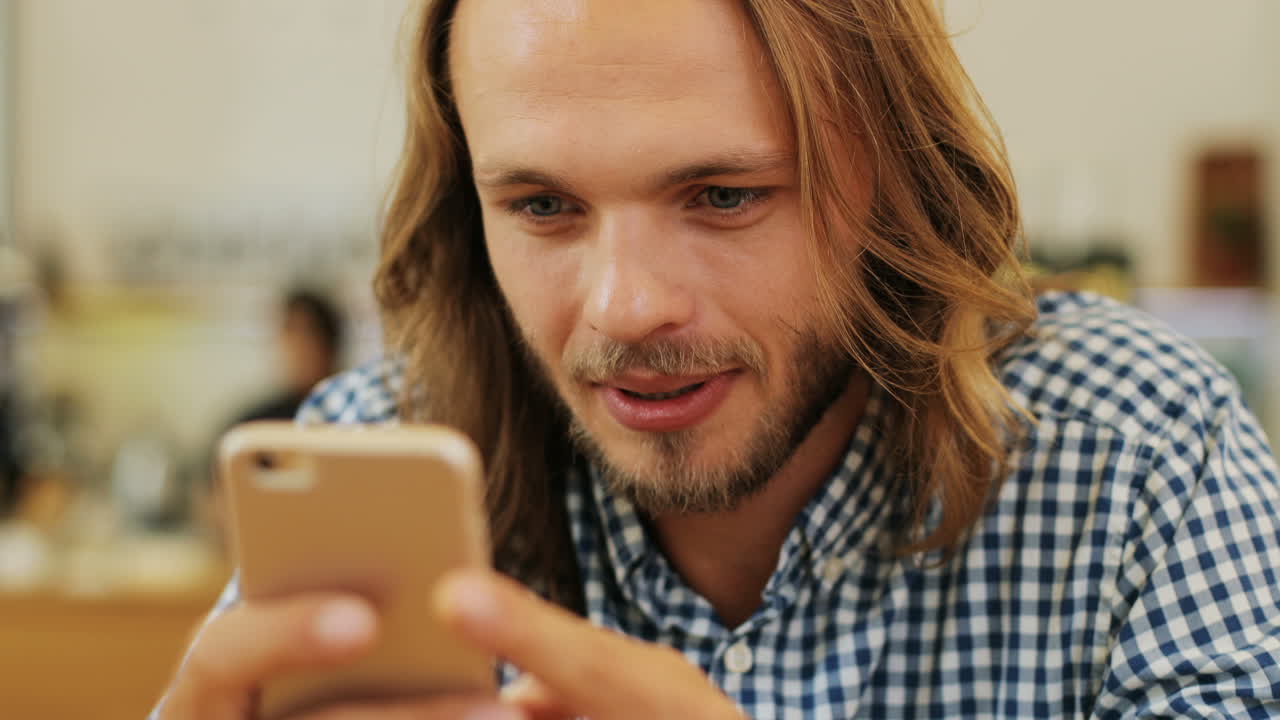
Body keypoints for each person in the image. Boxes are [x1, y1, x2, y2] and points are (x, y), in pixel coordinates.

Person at [153, 1, 1280, 718]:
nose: (626, 305)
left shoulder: (1136, 456)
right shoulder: (372, 457)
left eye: (723, 195)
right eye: (542, 206)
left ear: (889, 175)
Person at [232, 289, 345, 425]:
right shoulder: (256, 424)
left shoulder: (352, 415)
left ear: (330, 344)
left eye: (309, 336)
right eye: (290, 333)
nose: (299, 348)